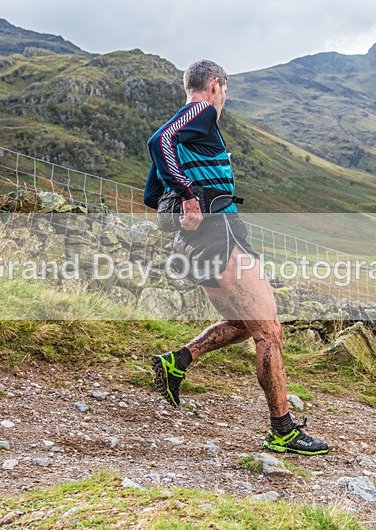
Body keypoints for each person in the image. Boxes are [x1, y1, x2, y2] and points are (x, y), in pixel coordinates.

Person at [144, 59, 329, 455]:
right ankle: (282, 430)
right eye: (224, 90)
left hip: (199, 242)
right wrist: (190, 197)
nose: (224, 97)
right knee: (269, 330)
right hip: (221, 236)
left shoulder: (182, 138)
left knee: (243, 323)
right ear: (215, 85)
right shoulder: (201, 112)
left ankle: (179, 360)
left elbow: (150, 195)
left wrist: (183, 203)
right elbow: (157, 141)